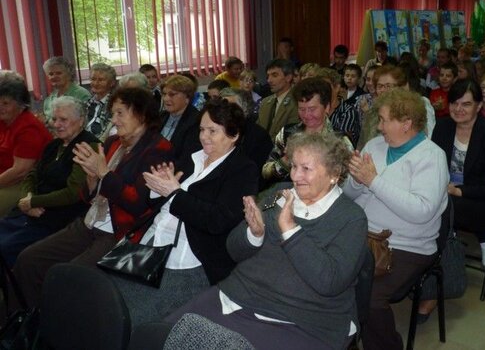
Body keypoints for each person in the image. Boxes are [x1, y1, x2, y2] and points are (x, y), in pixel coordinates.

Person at [166, 132, 367, 350]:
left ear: (334, 174)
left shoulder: (351, 218)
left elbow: (330, 282)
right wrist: (255, 234)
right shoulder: (279, 193)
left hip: (302, 319)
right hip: (239, 296)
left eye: (306, 169)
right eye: (294, 166)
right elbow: (233, 249)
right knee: (165, 336)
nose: (295, 176)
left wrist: (291, 230)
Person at [12, 87, 173, 308]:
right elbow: (87, 195)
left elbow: (137, 204)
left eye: (120, 113)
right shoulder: (113, 143)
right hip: (91, 221)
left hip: (120, 232)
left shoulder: (158, 150)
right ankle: (29, 319)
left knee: (69, 277)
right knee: (28, 259)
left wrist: (103, 173)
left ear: (142, 115)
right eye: (112, 114)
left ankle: (58, 321)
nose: (113, 120)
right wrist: (91, 181)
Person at [108, 99, 259, 326]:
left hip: (189, 261)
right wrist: (158, 188)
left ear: (234, 135)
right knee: (107, 301)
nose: (204, 137)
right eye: (201, 129)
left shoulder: (243, 170)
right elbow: (158, 202)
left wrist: (174, 193)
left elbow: (217, 220)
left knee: (132, 319)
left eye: (212, 131)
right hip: (151, 248)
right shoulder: (193, 158)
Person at [344, 89, 448, 350]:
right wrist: (357, 181)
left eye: (383, 120)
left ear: (406, 123)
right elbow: (349, 195)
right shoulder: (375, 145)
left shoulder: (432, 156)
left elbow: (422, 211)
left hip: (407, 246)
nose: (379, 127)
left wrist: (373, 181)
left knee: (369, 296)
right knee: (327, 277)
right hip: (364, 236)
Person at [0, 97, 99, 266]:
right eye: (54, 119)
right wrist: (28, 198)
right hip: (30, 212)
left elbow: (73, 193)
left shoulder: (88, 147)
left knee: (5, 248)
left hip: (58, 218)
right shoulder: (54, 145)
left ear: (81, 120)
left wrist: (33, 201)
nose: (57, 124)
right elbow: (32, 175)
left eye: (63, 119)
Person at [432, 80, 485, 266]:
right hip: (445, 189)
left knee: (446, 205)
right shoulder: (442, 126)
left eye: (466, 104)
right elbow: (431, 165)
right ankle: (444, 240)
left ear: (478, 106)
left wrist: (458, 190)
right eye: (454, 103)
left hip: (479, 195)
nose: (458, 109)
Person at [262, 77, 353, 185]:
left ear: (327, 107)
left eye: (312, 109)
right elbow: (265, 173)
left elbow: (347, 182)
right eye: (302, 109)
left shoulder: (340, 140)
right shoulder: (287, 133)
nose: (306, 115)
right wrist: (286, 160)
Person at [0, 73, 52, 216]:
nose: (0, 107)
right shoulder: (4, 121)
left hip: (24, 184)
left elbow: (19, 172)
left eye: (5, 103)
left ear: (22, 105)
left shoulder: (29, 129)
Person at [219, 88, 272, 186]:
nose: (225, 111)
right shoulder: (218, 132)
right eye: (223, 107)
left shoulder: (258, 136)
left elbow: (258, 175)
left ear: (244, 109)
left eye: (231, 107)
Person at [159, 75, 202, 165]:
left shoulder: (196, 121)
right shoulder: (160, 117)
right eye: (164, 94)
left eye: (172, 94)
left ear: (187, 98)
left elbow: (188, 158)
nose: (166, 99)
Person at [256, 59, 299, 141]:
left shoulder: (297, 102)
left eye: (274, 75)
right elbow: (257, 130)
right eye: (268, 76)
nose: (269, 80)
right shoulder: (265, 102)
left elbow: (291, 136)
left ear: (288, 77)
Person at [316, 68, 360, 146]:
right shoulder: (315, 109)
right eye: (319, 87)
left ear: (337, 87)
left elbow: (340, 142)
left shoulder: (348, 111)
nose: (321, 90)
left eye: (326, 86)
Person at [42, 57, 91, 125]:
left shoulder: (81, 94)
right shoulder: (49, 99)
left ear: (69, 74)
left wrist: (49, 123)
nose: (54, 77)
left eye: (58, 73)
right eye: (51, 74)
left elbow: (85, 122)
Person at [85, 62, 117, 141]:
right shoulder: (87, 103)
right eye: (93, 79)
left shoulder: (114, 105)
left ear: (112, 83)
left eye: (101, 80)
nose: (96, 83)